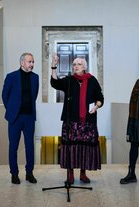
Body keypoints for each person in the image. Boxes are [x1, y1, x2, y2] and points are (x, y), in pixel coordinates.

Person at [50, 54, 104, 184]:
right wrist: (54, 66)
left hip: (88, 121)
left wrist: (96, 106)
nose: (75, 66)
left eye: (79, 64)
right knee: (70, 148)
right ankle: (70, 175)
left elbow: (100, 98)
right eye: (74, 64)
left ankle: (83, 174)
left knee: (84, 148)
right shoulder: (69, 80)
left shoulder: (92, 80)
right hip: (71, 121)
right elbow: (55, 83)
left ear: (84, 67)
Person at [2, 52, 39, 184]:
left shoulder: (35, 78)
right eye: (30, 62)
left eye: (33, 62)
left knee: (30, 146)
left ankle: (29, 173)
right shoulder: (11, 77)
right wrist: (12, 110)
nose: (32, 64)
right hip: (15, 118)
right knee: (13, 146)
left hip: (29, 117)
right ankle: (14, 174)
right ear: (22, 63)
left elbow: (34, 96)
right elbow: (4, 96)